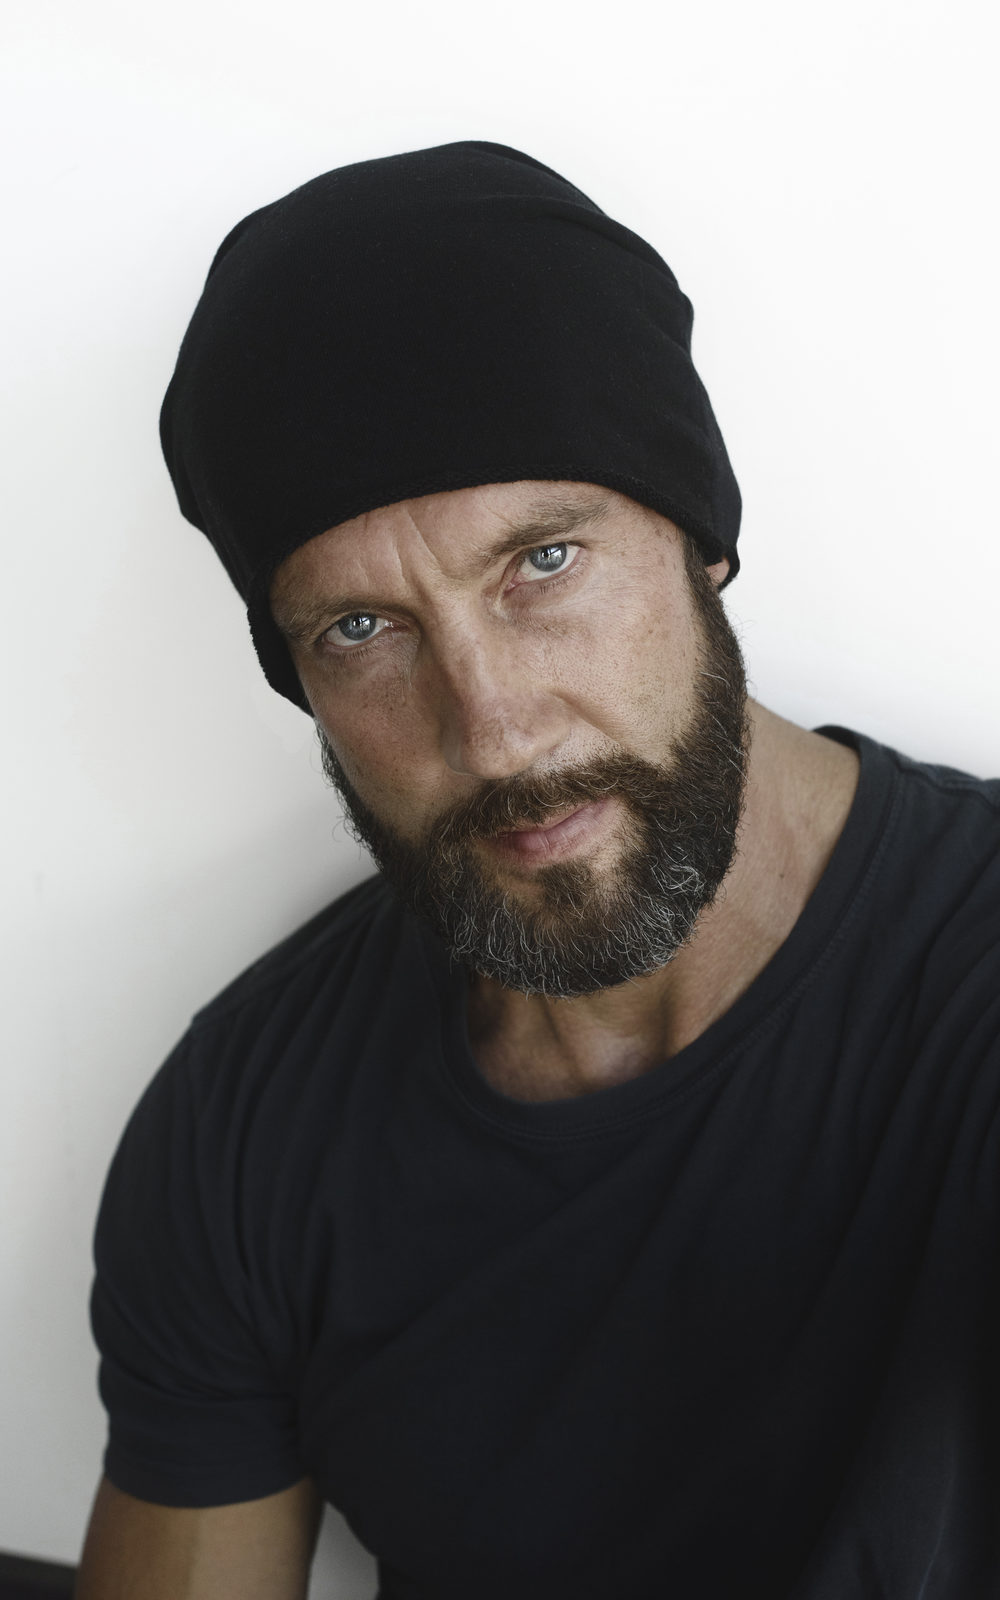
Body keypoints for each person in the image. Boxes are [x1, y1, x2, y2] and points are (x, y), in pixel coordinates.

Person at [77, 142, 1000, 1600]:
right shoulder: (244, 1132)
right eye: (362, 632)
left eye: (544, 563)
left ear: (699, 541)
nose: (495, 733)